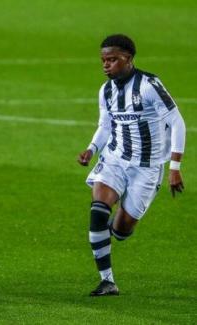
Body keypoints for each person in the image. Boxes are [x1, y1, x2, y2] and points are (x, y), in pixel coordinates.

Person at [77, 34, 185, 296]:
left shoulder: (149, 85)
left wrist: (174, 167)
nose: (106, 65)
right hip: (114, 159)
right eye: (103, 60)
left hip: (147, 167)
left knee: (122, 230)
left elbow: (177, 122)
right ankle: (107, 281)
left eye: (112, 60)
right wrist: (91, 149)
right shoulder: (106, 91)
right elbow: (105, 125)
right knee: (98, 210)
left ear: (129, 59)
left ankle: (116, 228)